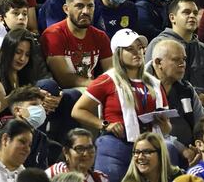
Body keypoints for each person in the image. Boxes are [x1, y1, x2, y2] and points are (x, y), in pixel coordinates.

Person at [71, 29, 171, 182]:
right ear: (118, 53)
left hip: (149, 147)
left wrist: (165, 126)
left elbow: (167, 126)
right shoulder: (107, 79)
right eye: (130, 49)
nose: (137, 52)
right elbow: (78, 110)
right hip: (116, 145)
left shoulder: (154, 83)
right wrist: (105, 125)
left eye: (139, 48)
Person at [145, 0, 204, 113]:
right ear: (172, 18)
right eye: (186, 12)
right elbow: (152, 82)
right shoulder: (158, 44)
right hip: (174, 108)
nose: (192, 16)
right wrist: (194, 95)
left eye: (195, 13)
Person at [40, 0, 113, 89]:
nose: (86, 11)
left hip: (92, 91)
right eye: (79, 6)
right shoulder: (53, 35)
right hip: (64, 95)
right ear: (66, 9)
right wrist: (98, 85)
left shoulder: (100, 36)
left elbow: (111, 73)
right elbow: (63, 79)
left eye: (90, 6)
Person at [148, 39, 204, 153]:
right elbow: (149, 133)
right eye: (176, 60)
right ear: (158, 62)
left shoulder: (186, 88)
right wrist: (182, 150)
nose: (182, 64)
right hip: (157, 151)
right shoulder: (140, 88)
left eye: (184, 59)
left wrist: (202, 147)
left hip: (193, 150)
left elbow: (203, 122)